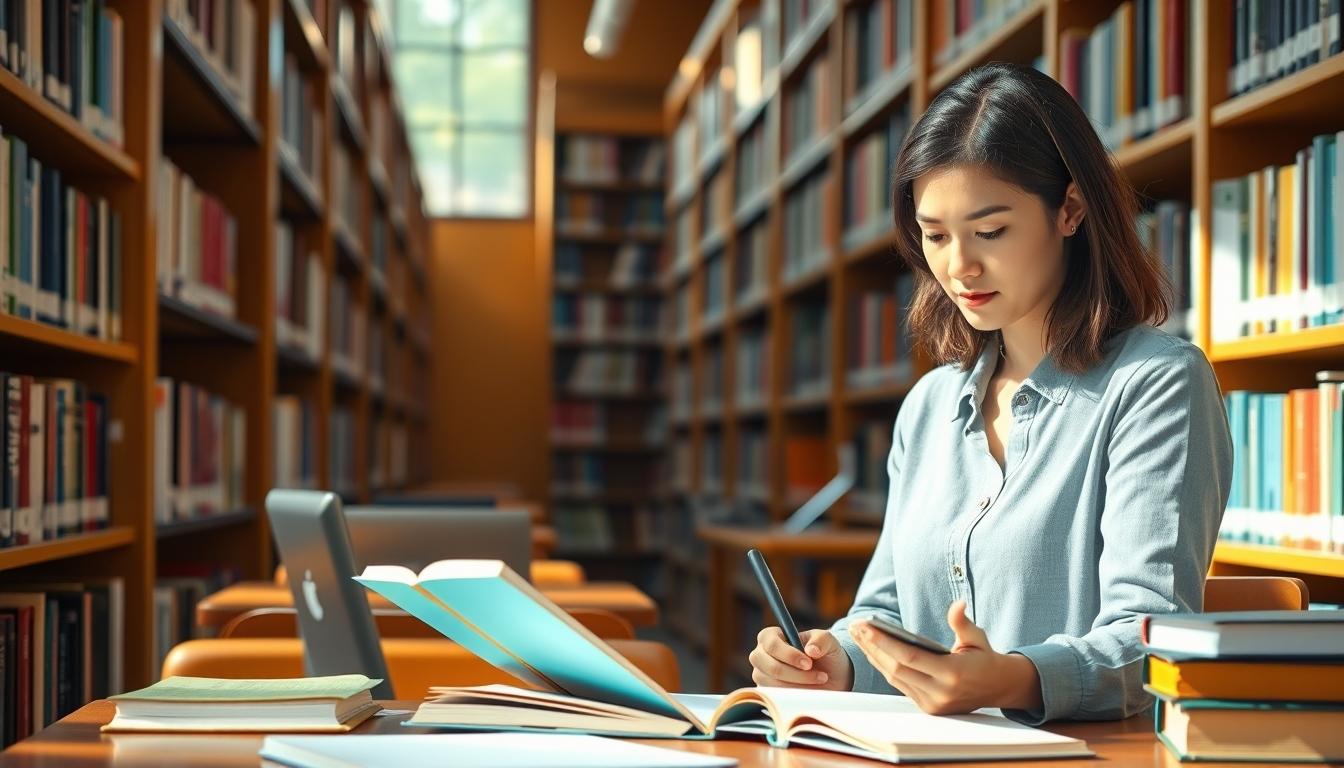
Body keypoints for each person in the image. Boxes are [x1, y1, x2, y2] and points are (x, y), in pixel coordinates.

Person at [747, 62, 1232, 725]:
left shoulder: (1155, 385)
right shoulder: (930, 406)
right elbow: (883, 614)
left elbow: (1151, 641)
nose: (959, 266)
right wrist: (839, 659)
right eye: (936, 235)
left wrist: (1009, 679)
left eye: (991, 230)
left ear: (1070, 209)